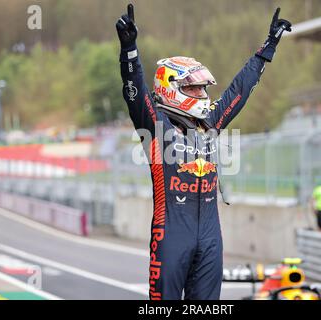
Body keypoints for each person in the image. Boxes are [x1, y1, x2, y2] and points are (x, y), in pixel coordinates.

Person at [116, 4, 291, 300]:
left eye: (202, 89)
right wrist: (130, 50)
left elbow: (239, 89)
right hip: (171, 236)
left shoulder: (210, 123)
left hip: (211, 238)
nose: (202, 95)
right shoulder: (156, 126)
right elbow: (135, 90)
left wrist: (267, 49)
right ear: (172, 89)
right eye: (194, 89)